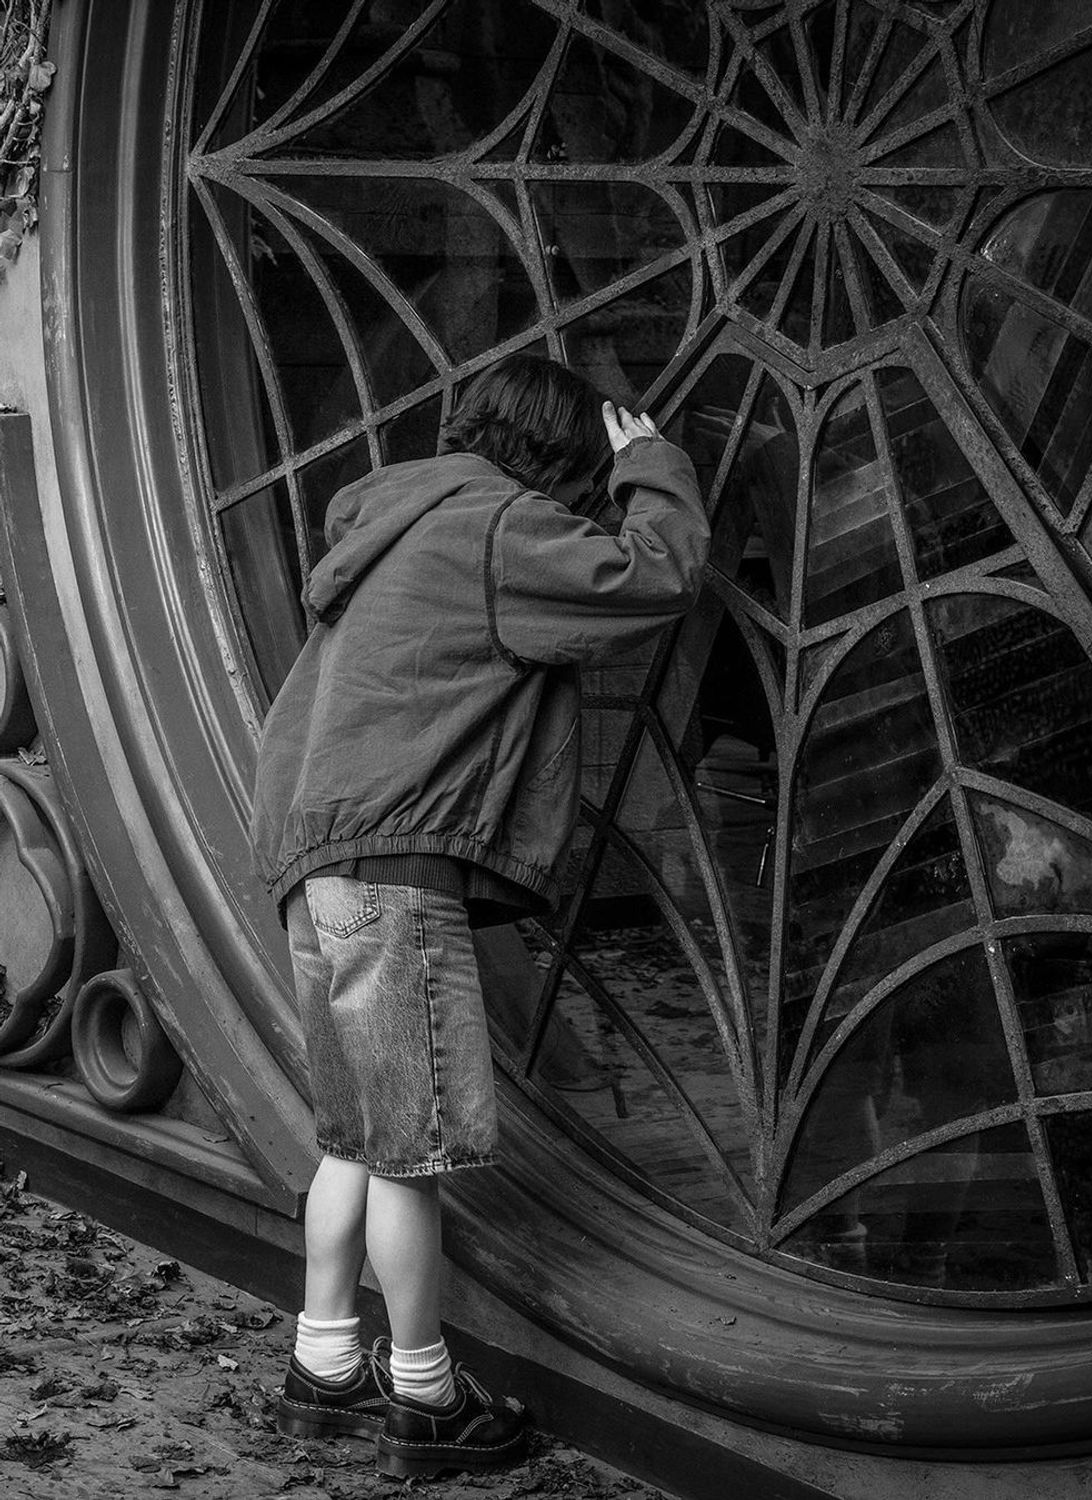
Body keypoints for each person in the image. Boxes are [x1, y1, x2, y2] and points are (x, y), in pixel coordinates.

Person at [249, 352, 708, 1481]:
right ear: (562, 452)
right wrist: (652, 463)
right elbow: (651, 579)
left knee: (351, 1140)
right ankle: (425, 1396)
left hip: (322, 868)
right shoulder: (499, 528)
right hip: (396, 876)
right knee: (410, 1155)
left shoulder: (394, 520)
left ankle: (322, 1367)